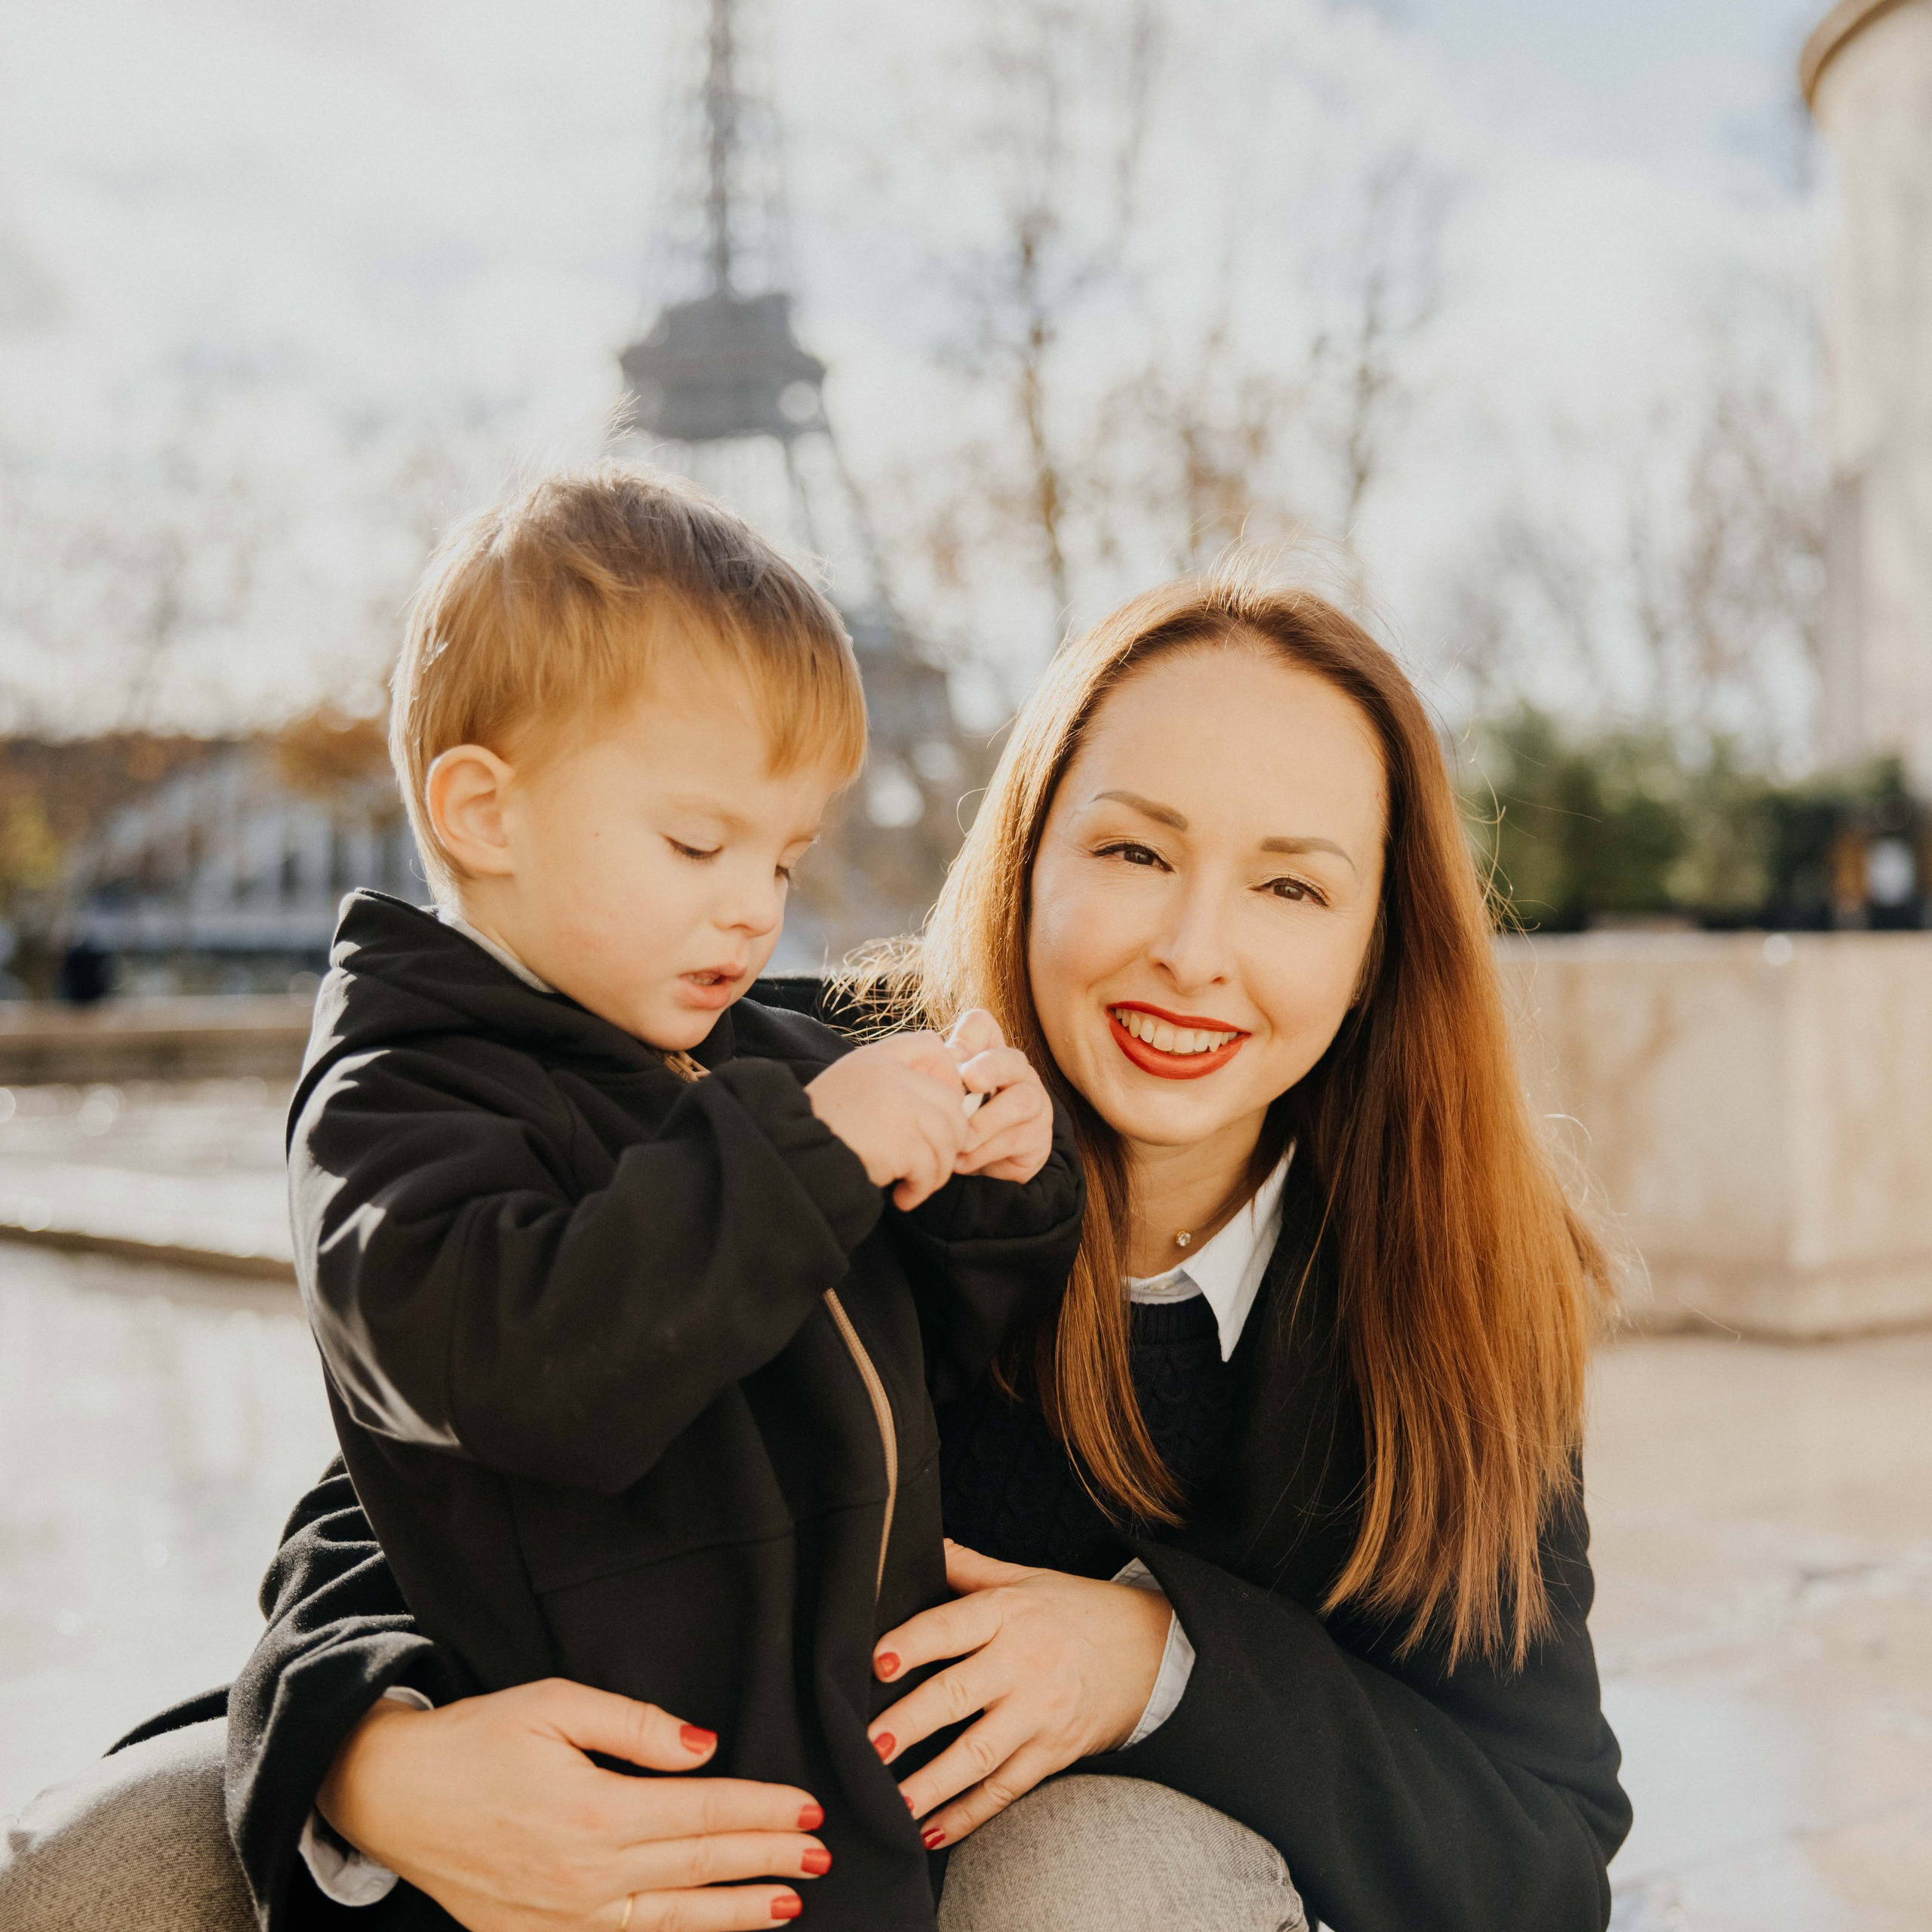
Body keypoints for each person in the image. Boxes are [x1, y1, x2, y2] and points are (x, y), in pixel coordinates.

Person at [0, 568, 1630, 1932]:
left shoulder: (1444, 1292)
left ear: (1377, 945)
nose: (1192, 951)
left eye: (1290, 887)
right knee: (96, 1859)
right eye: (1133, 851)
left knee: (1096, 1876)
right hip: (672, 1836)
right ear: (1028, 853)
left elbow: (1541, 1837)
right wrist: (376, 1759)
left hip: (1025, 1887)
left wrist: (1162, 1663)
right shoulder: (796, 1095)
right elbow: (413, 1454)